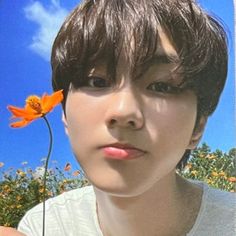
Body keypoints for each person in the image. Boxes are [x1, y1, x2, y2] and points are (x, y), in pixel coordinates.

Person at [3, 0, 235, 235]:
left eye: (162, 86)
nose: (123, 111)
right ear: (64, 114)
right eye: (97, 81)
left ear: (198, 126)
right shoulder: (45, 225)